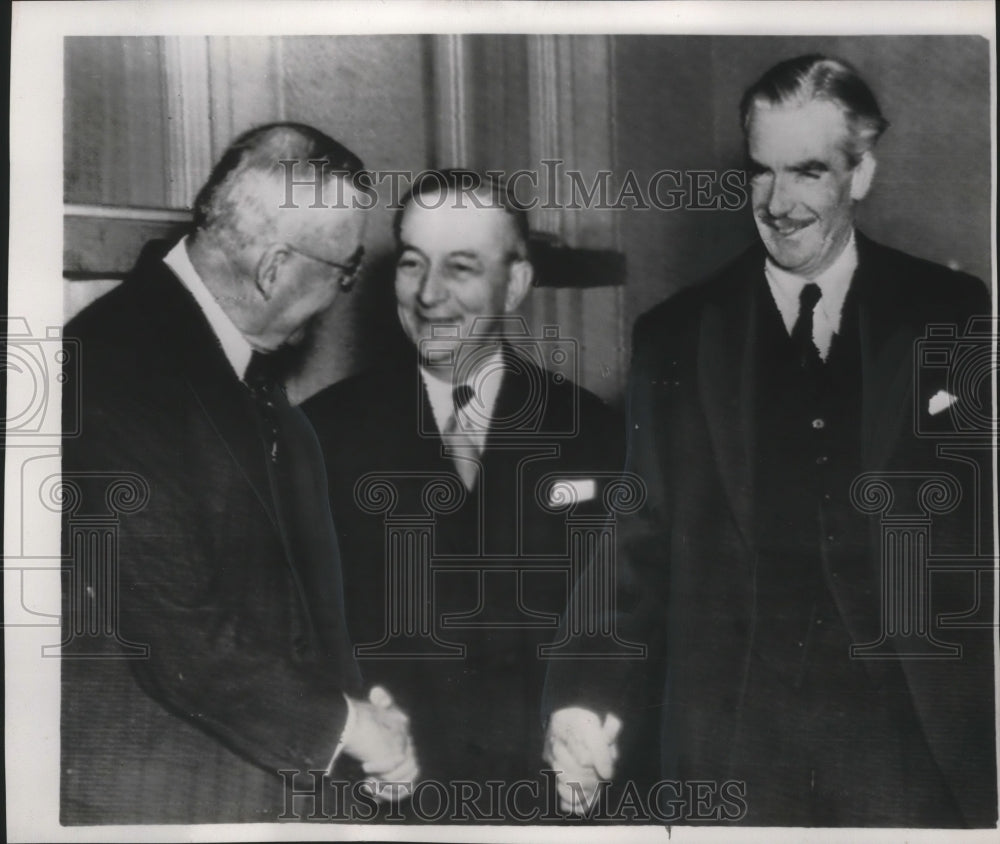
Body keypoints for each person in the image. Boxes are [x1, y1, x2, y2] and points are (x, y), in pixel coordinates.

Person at [543, 55, 996, 827]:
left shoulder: (952, 313)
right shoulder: (676, 336)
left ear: (861, 173)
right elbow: (634, 541)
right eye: (760, 172)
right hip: (738, 747)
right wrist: (584, 698)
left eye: (808, 172)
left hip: (917, 740)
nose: (778, 203)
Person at [61, 123, 417, 824]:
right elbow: (179, 628)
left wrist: (351, 712)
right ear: (273, 268)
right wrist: (344, 727)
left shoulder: (225, 359)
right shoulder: (113, 365)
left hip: (242, 774)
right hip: (159, 798)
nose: (345, 291)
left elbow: (281, 592)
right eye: (344, 271)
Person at [303, 171, 624, 817]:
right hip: (385, 804)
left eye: (461, 267)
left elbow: (630, 612)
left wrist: (591, 712)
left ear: (518, 283)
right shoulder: (319, 435)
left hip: (552, 805)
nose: (428, 294)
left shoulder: (597, 433)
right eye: (413, 264)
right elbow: (296, 632)